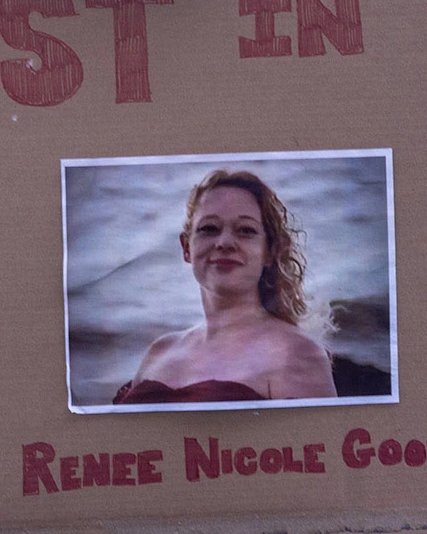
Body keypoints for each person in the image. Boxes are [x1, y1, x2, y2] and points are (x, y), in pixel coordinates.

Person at [114, 169, 339, 406]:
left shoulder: (297, 354)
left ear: (270, 252)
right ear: (186, 247)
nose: (224, 243)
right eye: (209, 229)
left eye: (245, 230)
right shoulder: (159, 351)